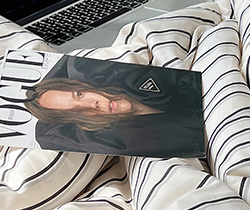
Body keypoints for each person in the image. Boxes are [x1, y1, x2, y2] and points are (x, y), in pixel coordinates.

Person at [22, 54, 206, 157]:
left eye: (79, 94)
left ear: (83, 85)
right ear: (81, 123)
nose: (92, 104)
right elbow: (48, 136)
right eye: (78, 111)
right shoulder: (129, 137)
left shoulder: (135, 77)